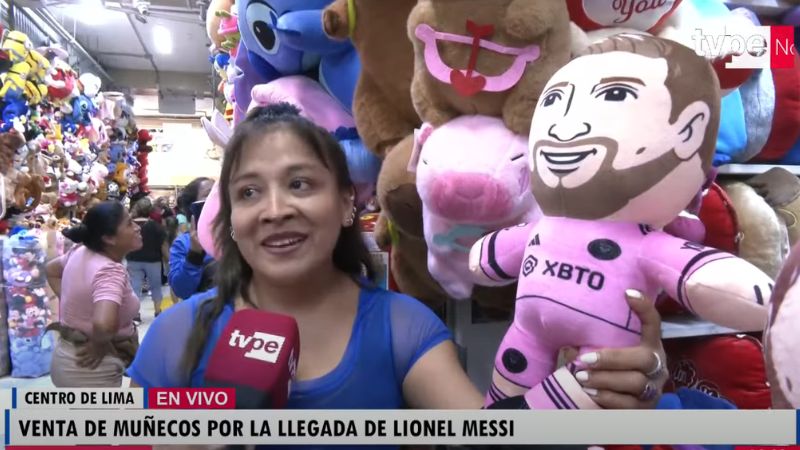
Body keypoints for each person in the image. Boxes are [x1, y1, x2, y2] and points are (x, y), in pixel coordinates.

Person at [129, 104, 666, 416]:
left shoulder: (403, 327)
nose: (275, 210)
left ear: (347, 204)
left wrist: (588, 387)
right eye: (248, 193)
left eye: (300, 184)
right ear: (230, 219)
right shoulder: (175, 334)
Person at [45, 201, 142, 387]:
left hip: (68, 357)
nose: (137, 227)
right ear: (109, 238)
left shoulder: (80, 251)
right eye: (129, 223)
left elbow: (51, 270)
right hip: (92, 368)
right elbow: (104, 326)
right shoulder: (109, 270)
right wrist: (98, 345)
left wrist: (75, 305)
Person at [169, 176, 215, 299]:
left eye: (218, 192)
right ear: (192, 206)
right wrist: (194, 255)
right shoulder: (183, 243)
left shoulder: (234, 233)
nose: (216, 198)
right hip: (206, 308)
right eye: (208, 194)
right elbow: (181, 290)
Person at [126, 198, 168, 316]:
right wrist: (167, 260)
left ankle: (135, 314)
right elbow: (163, 245)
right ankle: (157, 311)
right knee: (156, 286)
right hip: (153, 260)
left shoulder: (129, 226)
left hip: (133, 259)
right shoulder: (156, 226)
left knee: (135, 287)